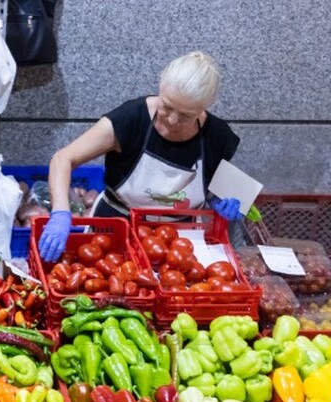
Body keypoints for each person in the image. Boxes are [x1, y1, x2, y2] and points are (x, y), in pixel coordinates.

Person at [38, 51, 242, 262]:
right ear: (160, 89)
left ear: (205, 107)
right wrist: (61, 212)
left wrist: (221, 199)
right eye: (167, 106)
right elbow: (63, 159)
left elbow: (223, 189)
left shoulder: (218, 135)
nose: (172, 120)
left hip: (180, 242)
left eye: (186, 116)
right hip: (114, 230)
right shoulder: (131, 118)